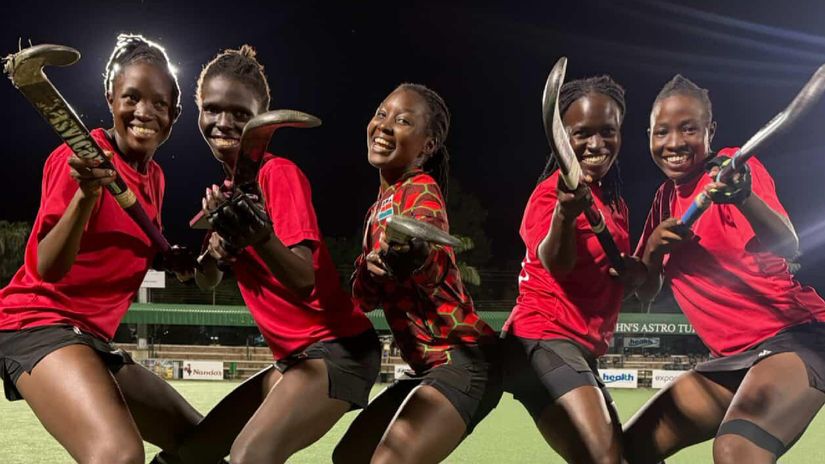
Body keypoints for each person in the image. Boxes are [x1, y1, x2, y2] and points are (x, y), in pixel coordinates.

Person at [0, 34, 202, 464]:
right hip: (38, 324)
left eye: (159, 103)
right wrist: (85, 195)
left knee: (204, 444)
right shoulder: (77, 159)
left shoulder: (156, 178)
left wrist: (167, 252)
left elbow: (127, 239)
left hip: (94, 339)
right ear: (110, 98)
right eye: (131, 97)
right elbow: (46, 269)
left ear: (175, 114)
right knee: (116, 454)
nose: (144, 112)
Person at [178, 45, 380, 464]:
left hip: (339, 350)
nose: (223, 122)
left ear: (261, 113)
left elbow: (303, 279)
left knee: (250, 458)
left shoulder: (278, 175)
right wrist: (216, 250)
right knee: (190, 454)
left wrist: (257, 236)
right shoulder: (228, 201)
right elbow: (207, 280)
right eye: (212, 109)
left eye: (239, 112)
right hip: (294, 359)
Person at [623, 74, 825, 464]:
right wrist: (651, 250)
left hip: (793, 339)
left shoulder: (731, 169)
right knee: (625, 451)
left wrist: (744, 196)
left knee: (737, 450)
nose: (674, 143)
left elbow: (789, 244)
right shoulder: (664, 201)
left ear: (709, 131)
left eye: (688, 129)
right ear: (649, 135)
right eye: (661, 132)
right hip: (731, 361)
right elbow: (645, 291)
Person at [333, 83, 502, 464]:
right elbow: (364, 299)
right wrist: (371, 269)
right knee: (350, 457)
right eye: (381, 113)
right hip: (427, 366)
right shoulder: (378, 209)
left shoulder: (421, 190)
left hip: (465, 359)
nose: (385, 126)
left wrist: (414, 254)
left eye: (404, 121)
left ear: (427, 147)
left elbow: (433, 259)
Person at [500, 75, 645, 464]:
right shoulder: (552, 194)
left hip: (581, 348)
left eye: (607, 132)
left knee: (626, 456)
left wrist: (631, 274)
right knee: (605, 457)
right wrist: (565, 214)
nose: (596, 144)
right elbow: (557, 263)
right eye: (581, 134)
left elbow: (608, 275)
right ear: (562, 138)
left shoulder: (614, 204)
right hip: (542, 338)